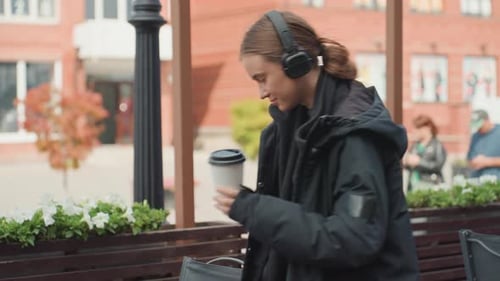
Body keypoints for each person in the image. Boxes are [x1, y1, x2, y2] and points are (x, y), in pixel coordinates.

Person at [213, 10, 419, 281]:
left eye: (262, 78)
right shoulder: (285, 130)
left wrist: (254, 209)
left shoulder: (354, 135)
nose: (261, 93)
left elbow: (354, 238)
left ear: (294, 64)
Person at [403, 115, 447, 191]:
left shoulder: (437, 145)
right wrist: (406, 161)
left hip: (430, 186)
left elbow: (438, 166)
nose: (415, 131)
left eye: (418, 128)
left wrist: (419, 162)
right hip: (413, 186)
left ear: (428, 127)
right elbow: (408, 165)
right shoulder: (415, 145)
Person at [467, 109, 500, 179]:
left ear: (487, 120)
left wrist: (487, 161)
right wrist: (474, 162)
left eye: (480, 126)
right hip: (477, 181)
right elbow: (470, 159)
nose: (478, 128)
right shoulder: (475, 136)